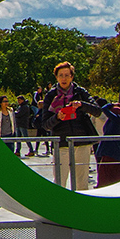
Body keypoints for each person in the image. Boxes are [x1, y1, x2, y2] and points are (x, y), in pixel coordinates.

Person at [38, 61, 103, 191]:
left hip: (81, 142)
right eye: (61, 75)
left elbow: (97, 111)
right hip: (62, 143)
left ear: (72, 77)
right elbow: (45, 125)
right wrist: (57, 117)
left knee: (82, 183)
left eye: (67, 75)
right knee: (60, 183)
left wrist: (82, 105)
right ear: (56, 77)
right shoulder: (51, 96)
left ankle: (81, 210)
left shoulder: (80, 92)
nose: (64, 78)